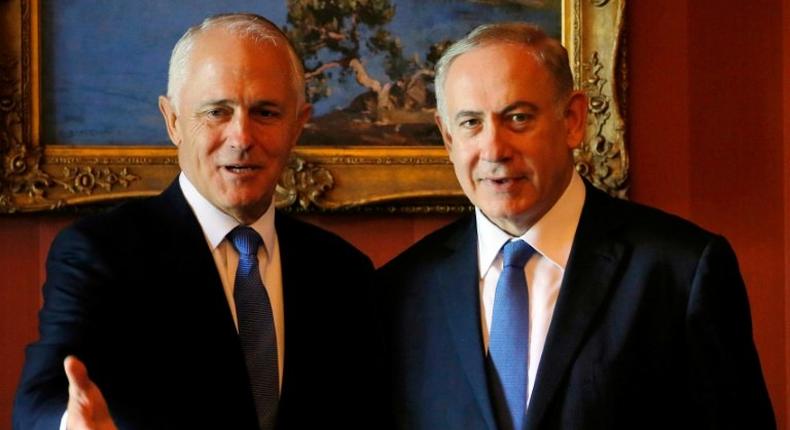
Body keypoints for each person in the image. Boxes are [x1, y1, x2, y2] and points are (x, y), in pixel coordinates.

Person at [377, 22, 775, 429]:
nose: (494, 149)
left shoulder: (680, 270)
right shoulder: (401, 289)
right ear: (447, 138)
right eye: (470, 123)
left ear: (572, 119)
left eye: (517, 118)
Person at [14, 13, 379, 430]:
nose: (242, 137)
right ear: (173, 122)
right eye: (217, 112)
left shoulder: (343, 272)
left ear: (298, 125)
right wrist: (68, 423)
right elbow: (41, 398)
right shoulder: (102, 253)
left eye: (265, 112)